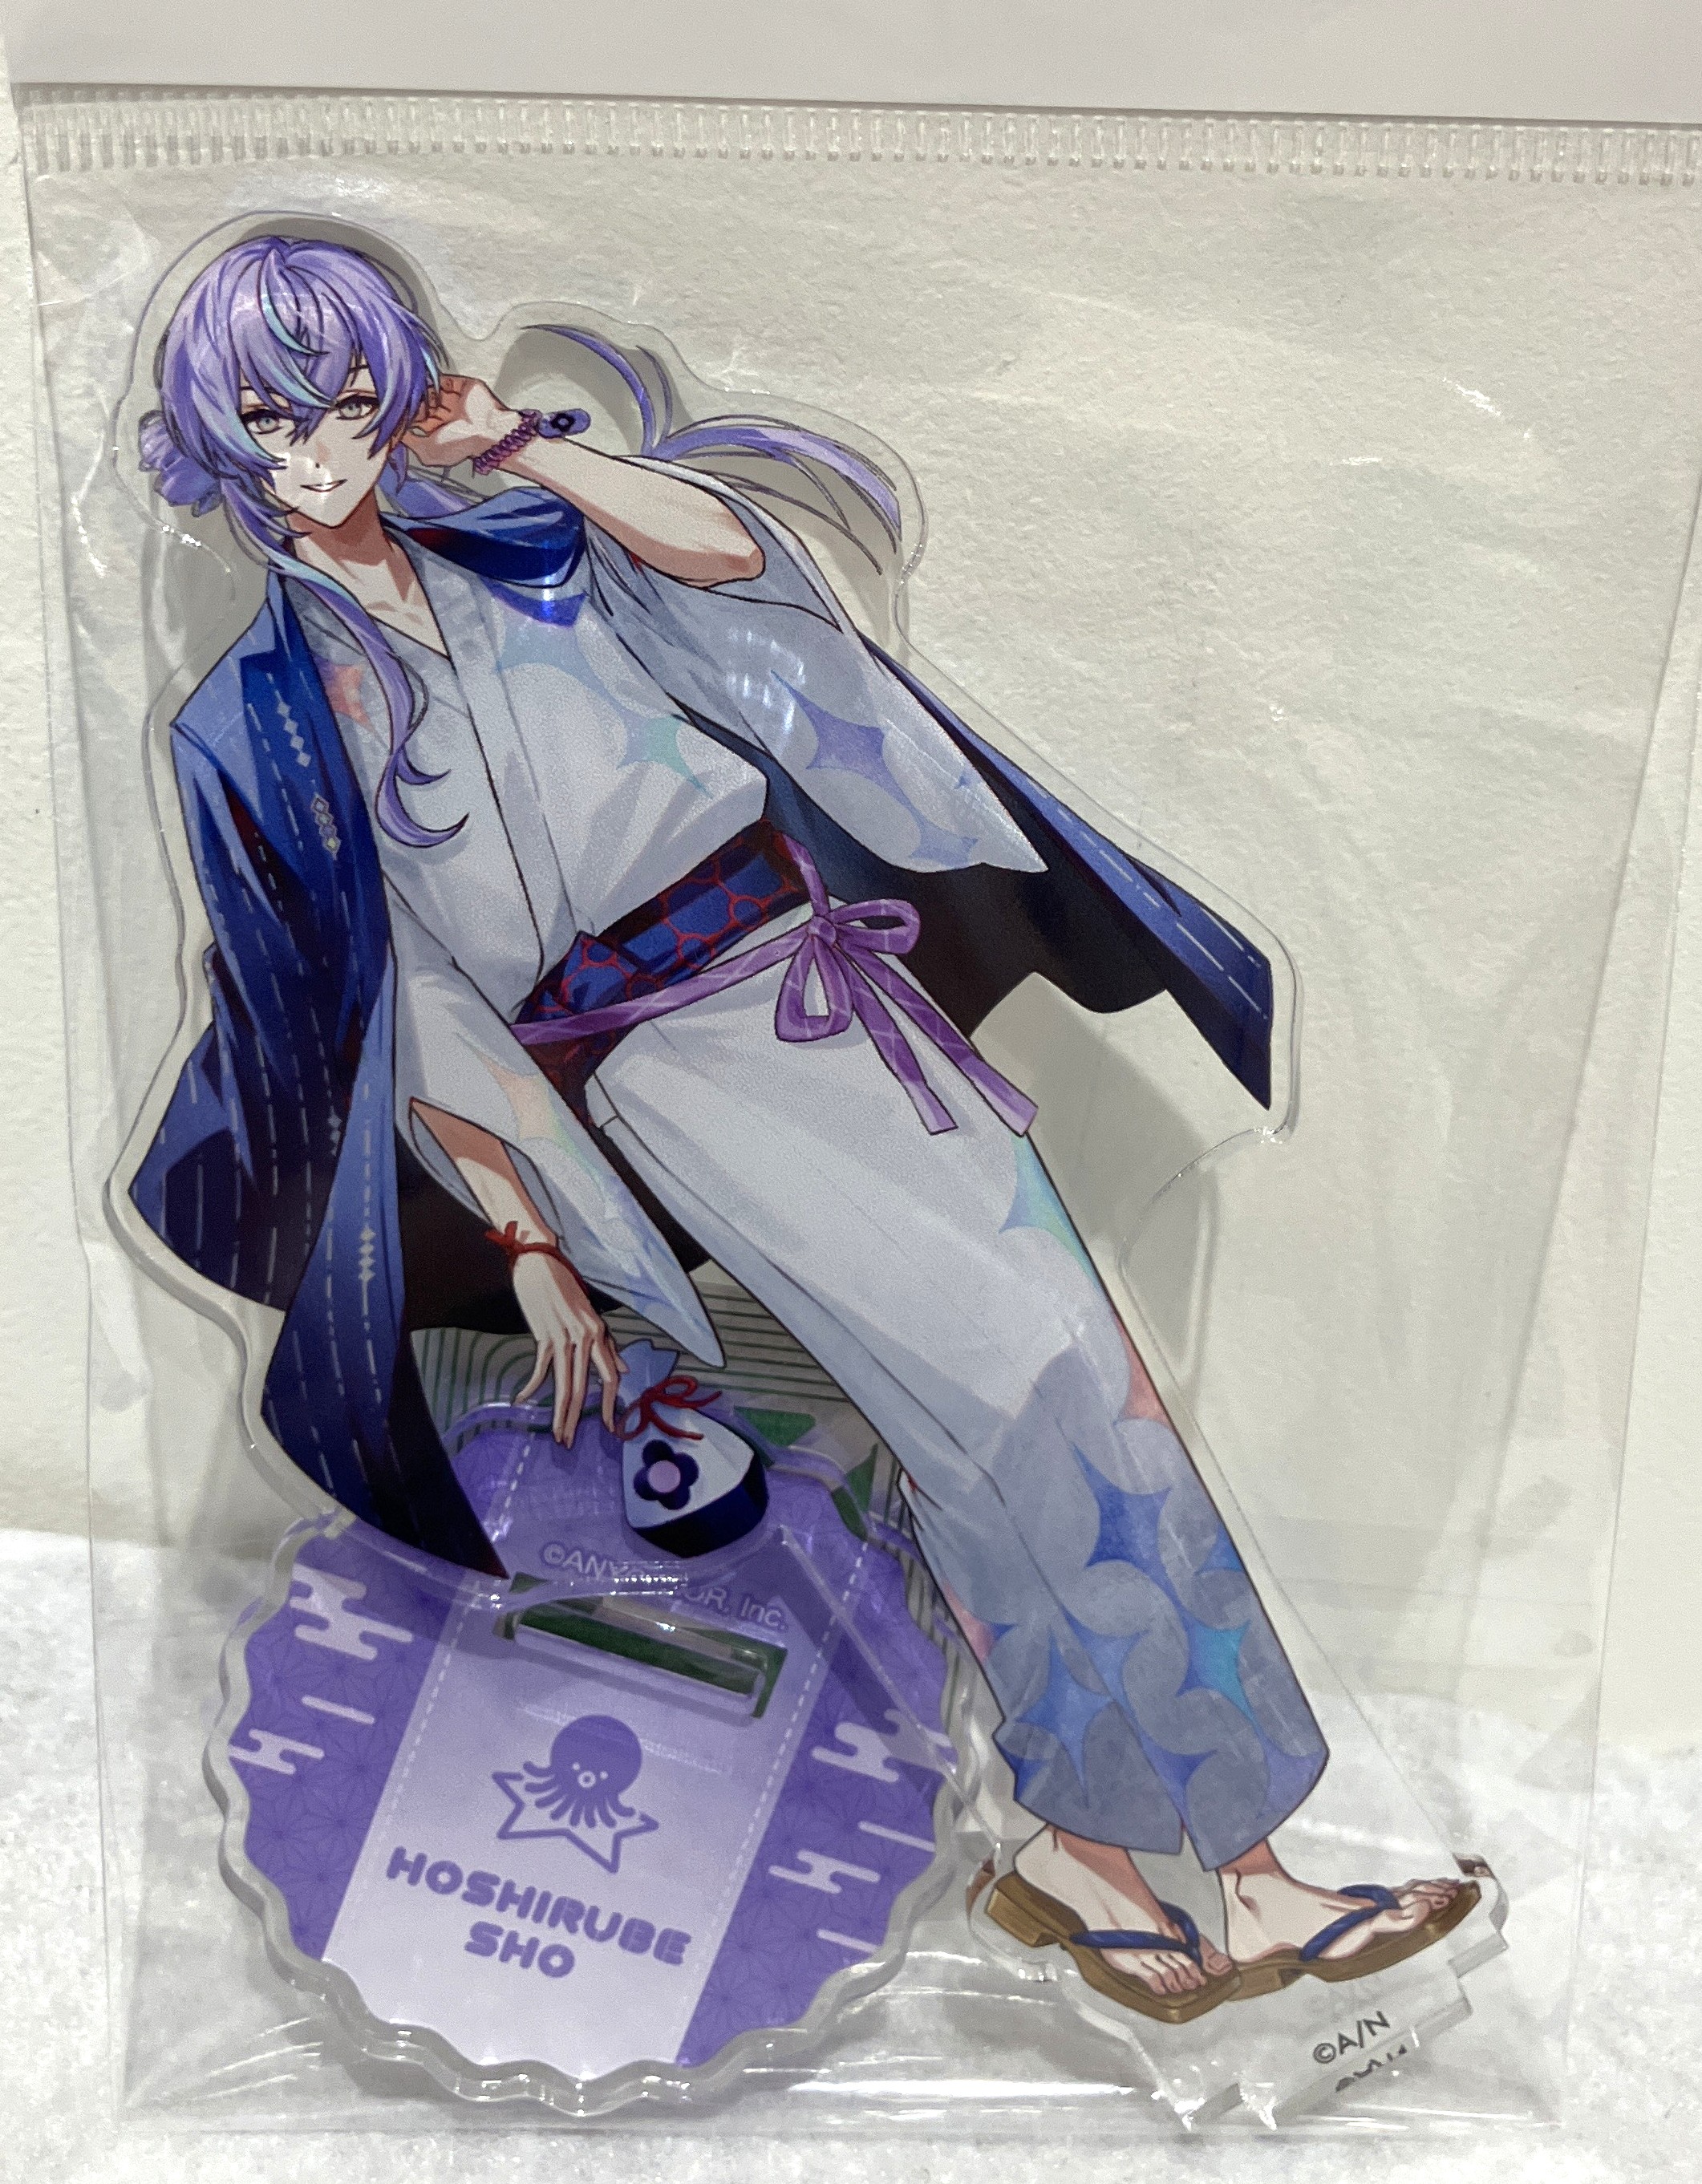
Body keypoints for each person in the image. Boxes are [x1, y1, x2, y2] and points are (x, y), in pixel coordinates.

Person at [132, 232, 1471, 2023]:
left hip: (822, 978)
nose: (317, 451)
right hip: (660, 1070)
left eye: (350, 401)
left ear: (399, 394)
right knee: (1048, 1383)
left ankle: (1096, 1853)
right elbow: (404, 1001)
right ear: (217, 438)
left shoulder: (522, 541)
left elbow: (747, 572)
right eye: (273, 421)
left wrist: (520, 449)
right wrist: (529, 1238)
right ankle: (1238, 1872)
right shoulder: (255, 720)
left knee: (1008, 1414)